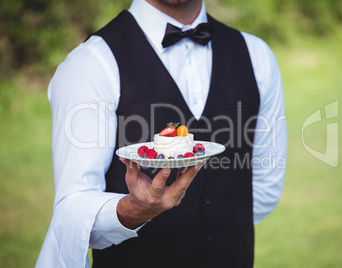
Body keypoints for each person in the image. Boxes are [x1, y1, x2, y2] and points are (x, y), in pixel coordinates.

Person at [36, 0, 287, 267]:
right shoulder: (91, 63)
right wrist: (133, 211)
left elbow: (264, 188)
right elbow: (73, 212)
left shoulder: (256, 54)